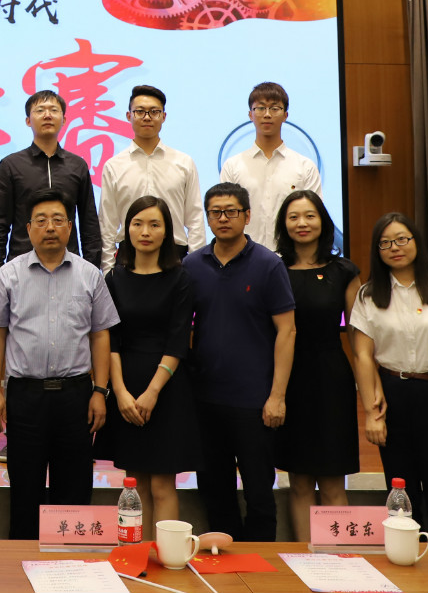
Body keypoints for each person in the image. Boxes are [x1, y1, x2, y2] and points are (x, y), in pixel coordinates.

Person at [0, 187, 118, 541]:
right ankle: (22, 560)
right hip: (25, 395)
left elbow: (100, 335)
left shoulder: (90, 275)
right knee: (24, 488)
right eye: (41, 221)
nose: (50, 228)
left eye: (58, 220)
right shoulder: (9, 275)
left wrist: (100, 391)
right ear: (27, 229)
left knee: (74, 487)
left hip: (76, 395)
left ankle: (70, 561)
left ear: (70, 228)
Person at [350, 212, 428, 543]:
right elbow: (362, 355)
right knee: (400, 488)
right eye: (385, 243)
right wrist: (371, 413)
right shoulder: (368, 295)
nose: (395, 248)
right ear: (377, 250)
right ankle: (404, 552)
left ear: (416, 242)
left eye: (402, 239)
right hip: (392, 393)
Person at [182, 182, 296, 542]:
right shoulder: (192, 265)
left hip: (254, 401)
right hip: (205, 401)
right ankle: (224, 560)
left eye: (231, 211)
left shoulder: (268, 265)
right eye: (215, 212)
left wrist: (277, 396)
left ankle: (260, 562)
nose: (223, 218)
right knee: (215, 491)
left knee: (259, 492)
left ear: (247, 216)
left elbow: (287, 331)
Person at [94, 196, 198, 536]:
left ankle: (167, 555)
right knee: (135, 484)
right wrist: (120, 393)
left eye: (154, 224)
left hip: (167, 389)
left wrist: (152, 392)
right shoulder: (114, 278)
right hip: (126, 385)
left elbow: (177, 341)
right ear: (127, 230)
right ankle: (138, 554)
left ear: (167, 231)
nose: (145, 232)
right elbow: (111, 340)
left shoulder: (180, 278)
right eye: (137, 224)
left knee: (163, 485)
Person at [272, 190, 361, 542]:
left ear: (323, 221)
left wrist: (370, 392)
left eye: (309, 215)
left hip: (330, 378)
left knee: (333, 481)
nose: (302, 223)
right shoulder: (273, 269)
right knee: (299, 481)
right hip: (287, 379)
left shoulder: (344, 270)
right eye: (293, 217)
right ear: (284, 224)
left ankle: (339, 557)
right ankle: (303, 557)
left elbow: (358, 336)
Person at [0, 90, 102, 274]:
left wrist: (92, 268)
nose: (47, 115)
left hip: (69, 266)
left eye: (54, 110)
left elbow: (88, 222)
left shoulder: (77, 165)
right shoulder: (11, 165)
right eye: (40, 110)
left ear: (64, 119)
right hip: (21, 266)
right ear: (28, 120)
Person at [98, 85, 205, 272]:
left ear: (163, 116)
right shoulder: (114, 166)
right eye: (140, 111)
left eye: (154, 112)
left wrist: (196, 267)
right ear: (129, 116)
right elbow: (107, 225)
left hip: (175, 257)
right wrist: (108, 271)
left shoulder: (184, 163)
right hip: (129, 259)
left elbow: (195, 219)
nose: (147, 117)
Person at [218, 82, 321, 251]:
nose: (267, 114)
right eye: (260, 108)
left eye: (274, 108)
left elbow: (314, 217)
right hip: (244, 256)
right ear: (250, 115)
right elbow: (225, 216)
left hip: (291, 257)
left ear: (285, 115)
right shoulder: (233, 166)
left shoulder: (305, 166)